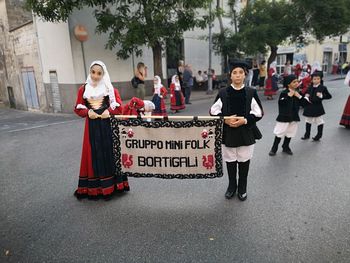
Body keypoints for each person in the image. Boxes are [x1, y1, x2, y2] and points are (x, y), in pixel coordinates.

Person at [210, 61, 263, 201]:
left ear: (245, 75)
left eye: (240, 72)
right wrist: (225, 120)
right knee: (231, 162)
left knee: (244, 161)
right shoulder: (223, 92)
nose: (238, 75)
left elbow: (258, 113)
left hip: (246, 133)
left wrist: (245, 120)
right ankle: (232, 186)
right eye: (235, 73)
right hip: (228, 134)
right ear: (230, 76)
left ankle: (242, 187)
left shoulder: (251, 92)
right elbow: (213, 111)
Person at [73, 60, 126, 200]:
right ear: (89, 72)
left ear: (103, 74)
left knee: (109, 153)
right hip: (91, 128)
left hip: (107, 126)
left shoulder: (110, 90)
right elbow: (77, 108)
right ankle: (96, 188)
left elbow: (120, 107)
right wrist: (87, 113)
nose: (95, 76)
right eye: (93, 72)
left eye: (99, 73)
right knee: (93, 156)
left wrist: (109, 111)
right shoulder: (83, 90)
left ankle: (112, 186)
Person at [269, 74, 306, 156]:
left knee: (290, 133)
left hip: (294, 117)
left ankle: (286, 146)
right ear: (288, 84)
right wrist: (288, 96)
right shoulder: (284, 93)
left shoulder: (298, 93)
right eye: (294, 82)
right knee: (279, 132)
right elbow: (281, 103)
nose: (296, 83)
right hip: (284, 117)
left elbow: (305, 104)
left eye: (297, 81)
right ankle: (274, 148)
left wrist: (299, 96)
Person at [301, 71, 332, 141]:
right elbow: (305, 94)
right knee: (308, 121)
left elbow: (329, 96)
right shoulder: (309, 87)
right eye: (314, 79)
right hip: (309, 107)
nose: (316, 80)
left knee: (319, 121)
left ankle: (319, 135)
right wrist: (306, 96)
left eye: (318, 79)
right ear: (312, 80)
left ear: (320, 79)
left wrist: (322, 96)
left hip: (318, 108)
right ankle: (307, 134)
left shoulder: (323, 87)